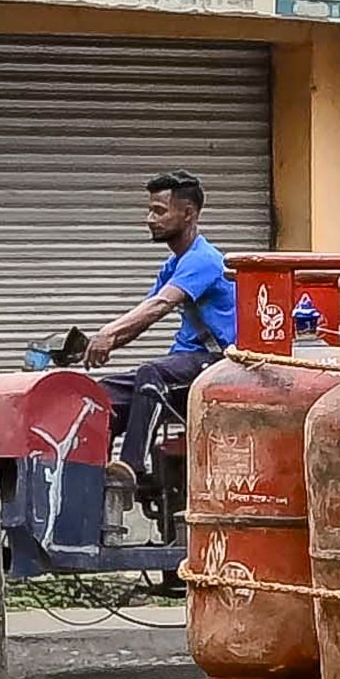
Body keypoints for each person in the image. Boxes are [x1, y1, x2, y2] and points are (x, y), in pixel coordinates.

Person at [69, 172, 232, 512]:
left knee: (151, 375)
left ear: (188, 214)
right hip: (187, 362)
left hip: (218, 366)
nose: (150, 219)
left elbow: (160, 305)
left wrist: (109, 333)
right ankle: (95, 483)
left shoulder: (204, 259)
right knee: (105, 394)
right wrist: (100, 343)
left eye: (159, 211)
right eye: (150, 211)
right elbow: (141, 319)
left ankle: (133, 465)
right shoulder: (172, 265)